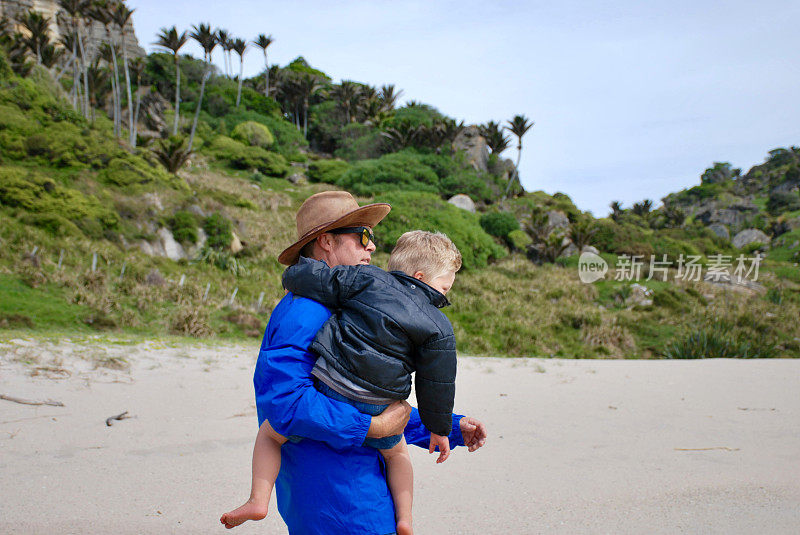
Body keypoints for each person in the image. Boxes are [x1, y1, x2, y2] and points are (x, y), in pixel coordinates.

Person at [229, 191, 487, 534]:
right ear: (326, 242)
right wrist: (372, 429)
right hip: (336, 500)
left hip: (356, 490)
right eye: (363, 236)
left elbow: (370, 400)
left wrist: (450, 428)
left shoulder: (351, 309)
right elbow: (285, 405)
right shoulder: (303, 312)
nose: (372, 247)